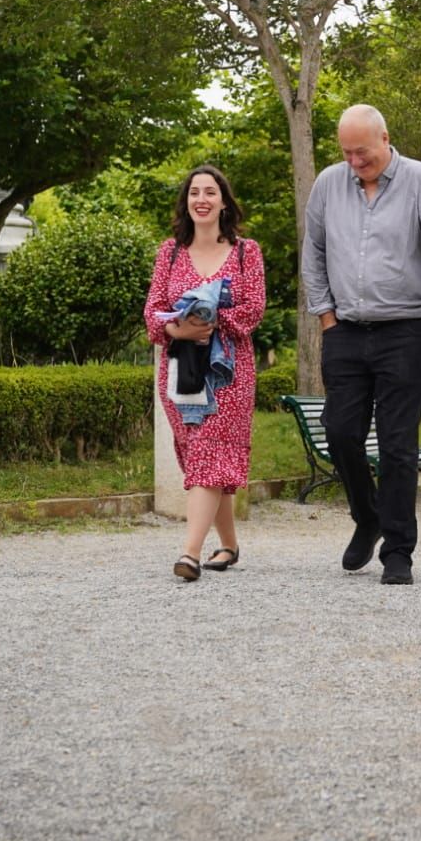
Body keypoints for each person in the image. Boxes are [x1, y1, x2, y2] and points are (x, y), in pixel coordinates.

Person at [301, 104, 421, 586]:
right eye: (347, 152)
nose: (355, 161)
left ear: (385, 139)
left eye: (363, 152)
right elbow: (312, 251)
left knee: (397, 445)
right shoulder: (329, 185)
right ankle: (367, 517)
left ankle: (399, 550)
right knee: (339, 431)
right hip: (346, 330)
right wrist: (327, 316)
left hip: (408, 329)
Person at [146, 165, 267, 582]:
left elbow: (252, 310)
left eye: (210, 192)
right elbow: (151, 313)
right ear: (186, 202)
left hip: (230, 371)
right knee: (197, 454)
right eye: (194, 192)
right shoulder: (170, 252)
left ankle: (189, 553)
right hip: (181, 369)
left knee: (209, 454)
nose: (202, 199)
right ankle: (229, 545)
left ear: (223, 201)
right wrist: (176, 327)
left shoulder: (245, 251)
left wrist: (212, 321)